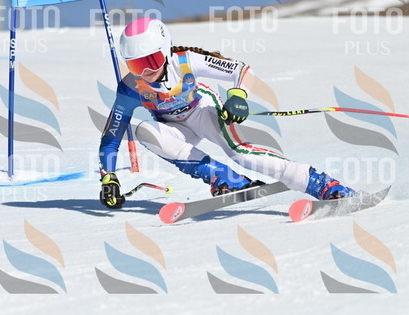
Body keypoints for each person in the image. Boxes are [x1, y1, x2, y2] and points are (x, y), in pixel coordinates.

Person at [98, 17, 355, 209]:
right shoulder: (130, 87)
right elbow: (111, 136)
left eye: (151, 61)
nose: (146, 72)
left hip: (203, 112)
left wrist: (238, 95)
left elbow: (240, 69)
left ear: (165, 51)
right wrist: (108, 177)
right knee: (144, 130)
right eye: (136, 65)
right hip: (175, 129)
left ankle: (321, 185)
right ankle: (223, 178)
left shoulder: (185, 60)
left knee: (242, 155)